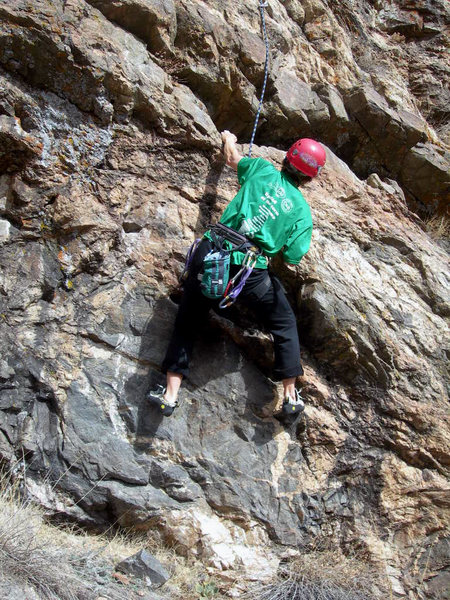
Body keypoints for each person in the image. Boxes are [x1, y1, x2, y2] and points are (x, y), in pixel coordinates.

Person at [147, 131, 326, 416]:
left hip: (212, 252)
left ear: (288, 157)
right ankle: (291, 396)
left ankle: (169, 395)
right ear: (310, 177)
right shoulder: (302, 212)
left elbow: (231, 157)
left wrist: (228, 137)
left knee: (188, 319)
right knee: (283, 321)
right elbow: (293, 256)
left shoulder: (262, 169)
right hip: (249, 272)